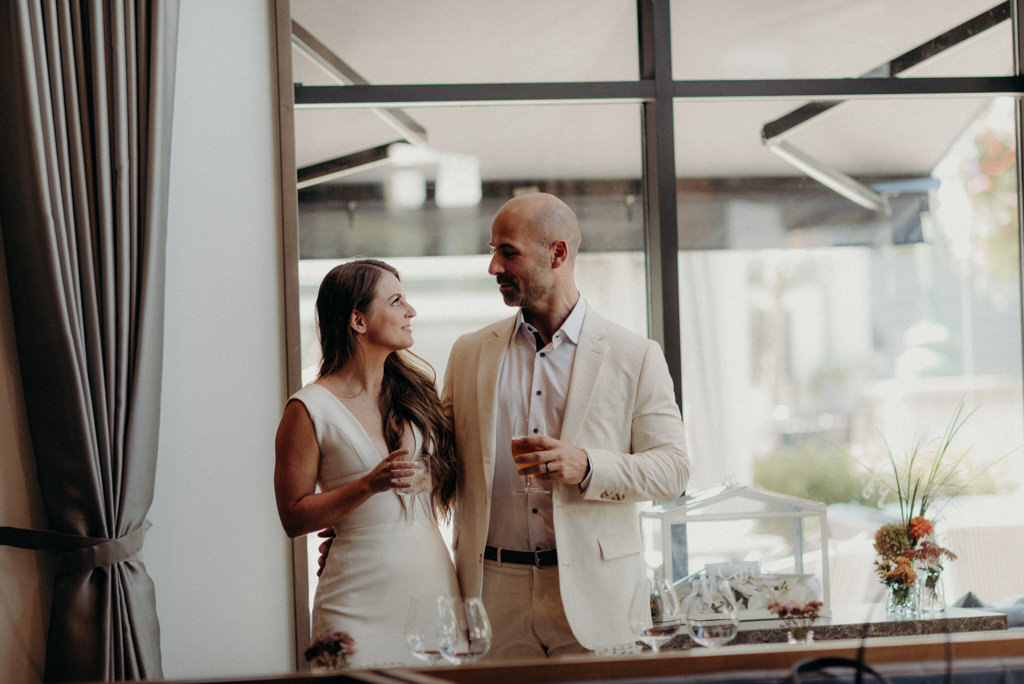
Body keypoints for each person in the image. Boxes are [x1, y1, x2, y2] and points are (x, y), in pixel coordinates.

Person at [442, 192, 690, 657]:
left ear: (557, 253)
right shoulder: (469, 352)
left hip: (599, 597)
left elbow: (673, 470)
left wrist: (587, 465)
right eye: (492, 251)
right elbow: (440, 467)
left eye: (507, 251)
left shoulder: (634, 354)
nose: (493, 267)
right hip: (492, 596)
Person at [274, 259, 460, 668]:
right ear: (358, 320)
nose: (410, 312)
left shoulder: (418, 396)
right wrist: (366, 486)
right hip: (355, 597)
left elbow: (451, 478)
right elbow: (293, 517)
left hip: (431, 583)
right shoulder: (308, 408)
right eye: (396, 301)